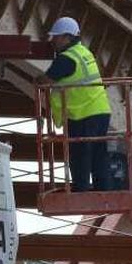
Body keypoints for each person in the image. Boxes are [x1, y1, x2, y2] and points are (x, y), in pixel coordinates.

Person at [45, 16, 113, 191]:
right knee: (98, 153)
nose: (53, 41)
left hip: (83, 114)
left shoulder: (66, 59)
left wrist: (34, 79)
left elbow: (45, 80)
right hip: (100, 111)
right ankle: (103, 188)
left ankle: (81, 189)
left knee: (80, 154)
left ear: (67, 37)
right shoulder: (84, 52)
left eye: (56, 37)